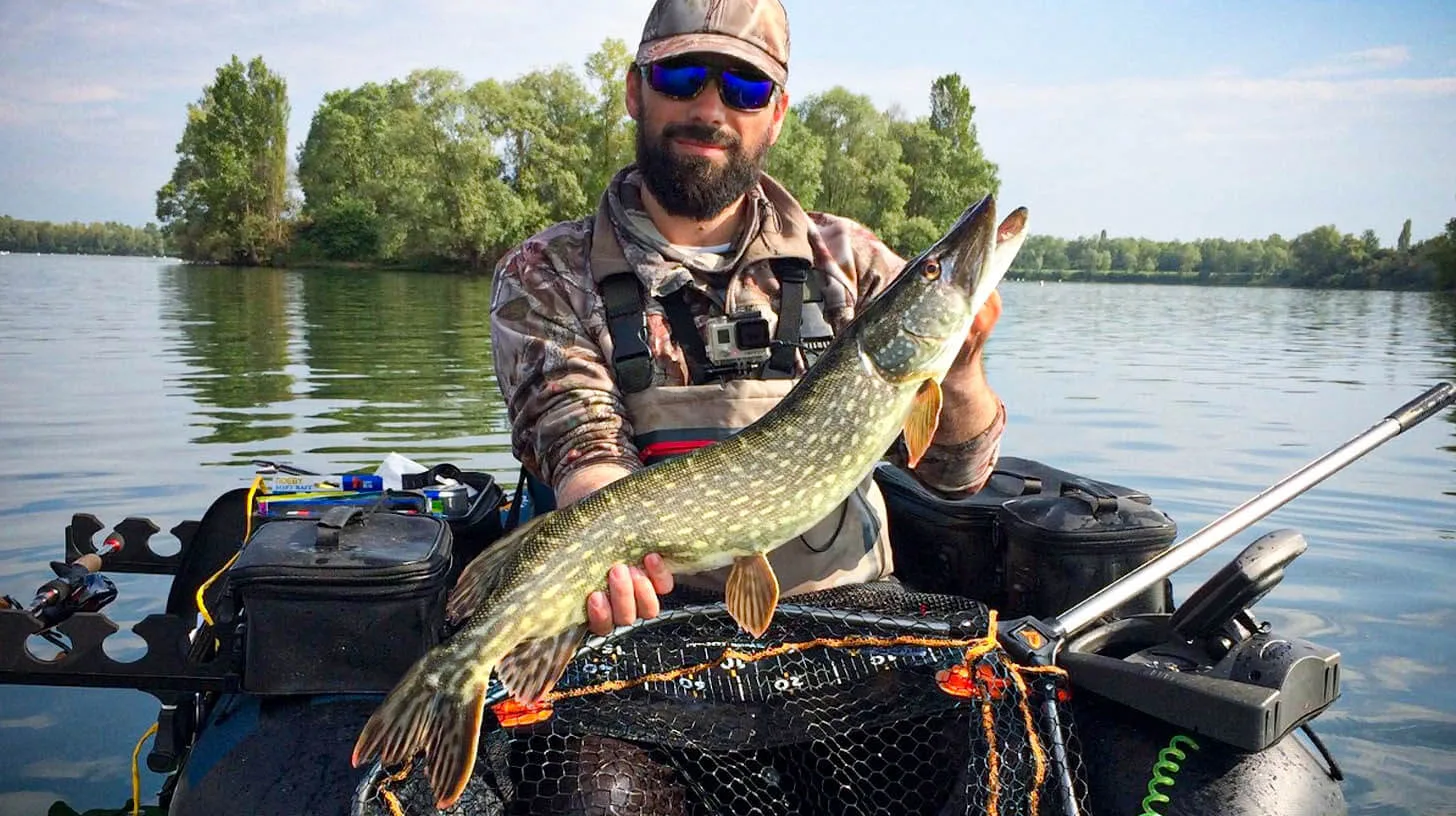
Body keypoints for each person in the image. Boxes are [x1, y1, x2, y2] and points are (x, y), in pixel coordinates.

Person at [489, 0, 1006, 639]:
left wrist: (960, 370)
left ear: (777, 115)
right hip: (648, 624)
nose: (710, 110)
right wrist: (608, 555)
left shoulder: (850, 262)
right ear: (634, 90)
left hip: (856, 617)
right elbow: (583, 445)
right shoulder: (548, 273)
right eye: (681, 78)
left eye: (745, 87)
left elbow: (953, 479)